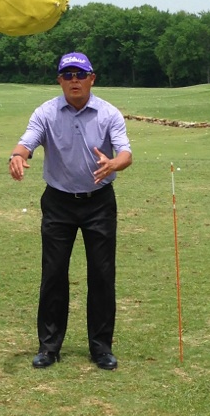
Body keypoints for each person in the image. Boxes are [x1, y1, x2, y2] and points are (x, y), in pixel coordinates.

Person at [8, 51, 132, 369]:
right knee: (53, 274)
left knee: (102, 275)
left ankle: (101, 348)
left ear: (92, 78)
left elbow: (125, 153)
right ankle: (49, 347)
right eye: (67, 75)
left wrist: (114, 163)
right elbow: (27, 142)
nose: (74, 80)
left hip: (99, 202)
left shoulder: (108, 113)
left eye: (80, 75)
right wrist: (17, 156)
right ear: (59, 80)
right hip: (58, 202)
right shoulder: (46, 113)